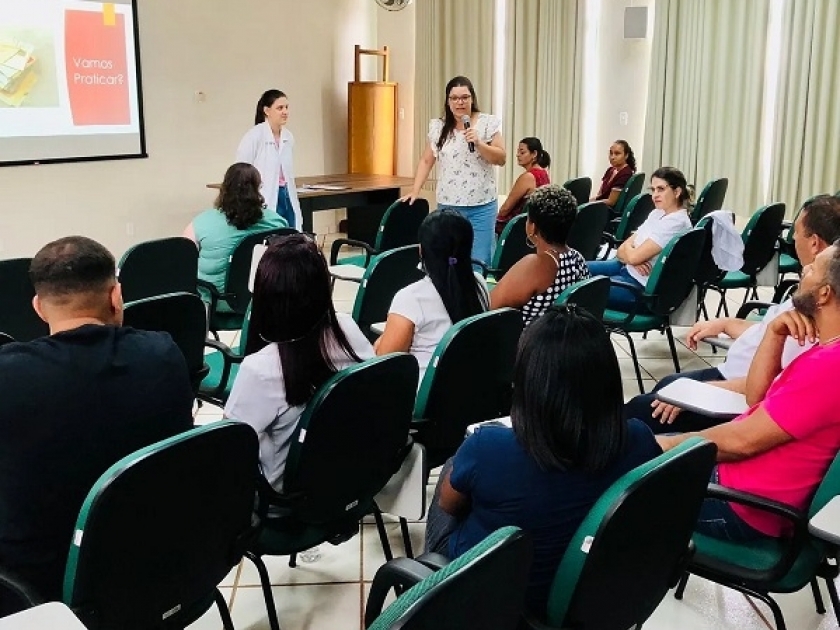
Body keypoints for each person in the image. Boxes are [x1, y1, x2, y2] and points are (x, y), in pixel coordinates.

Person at [423, 306, 661, 618]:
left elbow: (448, 505)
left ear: (527, 379)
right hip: (587, 594)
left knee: (456, 469)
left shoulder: (487, 447)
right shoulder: (640, 440)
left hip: (495, 593)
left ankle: (434, 595)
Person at [0, 237, 193, 610]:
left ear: (39, 308)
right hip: (165, 563)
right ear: (116, 296)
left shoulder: (8, 377)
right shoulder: (163, 353)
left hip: (42, 587)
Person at [657, 241, 840, 541]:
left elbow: (742, 442)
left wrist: (663, 446)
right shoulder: (826, 347)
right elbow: (757, 398)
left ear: (824, 294)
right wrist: (773, 333)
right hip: (741, 485)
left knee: (612, 478)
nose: (803, 269)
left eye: (813, 267)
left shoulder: (830, 367)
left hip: (740, 505)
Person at [625, 194, 840, 433]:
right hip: (735, 375)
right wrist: (726, 324)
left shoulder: (816, 313)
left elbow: (770, 388)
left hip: (737, 396)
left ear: (814, 243)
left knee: (639, 413)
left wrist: (697, 392)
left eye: (797, 232)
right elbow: (768, 330)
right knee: (664, 387)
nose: (794, 239)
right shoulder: (811, 292)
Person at [224, 234, 373, 492]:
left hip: (283, 500)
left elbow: (228, 447)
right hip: (348, 483)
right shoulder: (349, 331)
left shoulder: (260, 369)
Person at [402, 76, 506, 266]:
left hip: (481, 205)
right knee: (450, 260)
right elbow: (427, 160)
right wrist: (415, 190)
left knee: (479, 261)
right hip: (449, 204)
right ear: (448, 101)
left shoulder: (487, 123)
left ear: (472, 98)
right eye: (455, 98)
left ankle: (475, 294)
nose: (460, 102)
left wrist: (479, 143)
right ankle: (451, 295)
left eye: (465, 97)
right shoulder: (438, 127)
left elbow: (501, 158)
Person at [374, 211, 488, 382]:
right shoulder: (479, 285)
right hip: (472, 388)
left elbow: (385, 363)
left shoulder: (411, 298)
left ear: (421, 250)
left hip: (424, 399)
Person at [586, 167, 692, 310]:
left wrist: (634, 256)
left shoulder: (676, 223)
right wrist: (633, 258)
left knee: (580, 290)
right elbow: (622, 248)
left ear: (677, 192)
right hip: (625, 268)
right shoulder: (657, 213)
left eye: (661, 189)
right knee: (576, 268)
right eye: (653, 190)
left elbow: (633, 254)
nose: (655, 195)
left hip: (638, 287)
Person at [183, 162, 287, 306]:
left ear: (224, 188)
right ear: (258, 188)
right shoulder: (278, 223)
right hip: (262, 305)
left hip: (216, 305)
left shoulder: (200, 223)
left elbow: (182, 260)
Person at [490, 185, 589, 326]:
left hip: (526, 344)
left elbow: (489, 306)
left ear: (533, 227)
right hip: (562, 341)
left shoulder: (535, 266)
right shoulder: (578, 259)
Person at [235, 89, 301, 229]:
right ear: (267, 110)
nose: (285, 112)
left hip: (286, 193)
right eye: (280, 108)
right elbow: (241, 169)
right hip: (264, 194)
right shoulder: (254, 136)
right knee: (270, 233)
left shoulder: (288, 137)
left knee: (291, 231)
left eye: (286, 108)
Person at [495, 137, 551, 235]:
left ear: (534, 154)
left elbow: (505, 209)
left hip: (516, 227)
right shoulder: (543, 172)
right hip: (535, 226)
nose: (517, 155)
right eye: (518, 152)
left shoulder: (528, 177)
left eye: (522, 152)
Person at [592, 140, 637, 207]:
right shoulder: (610, 170)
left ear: (626, 155)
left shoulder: (625, 174)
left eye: (617, 153)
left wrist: (591, 203)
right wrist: (591, 201)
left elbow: (611, 202)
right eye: (611, 153)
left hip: (607, 211)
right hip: (600, 206)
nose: (612, 157)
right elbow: (600, 194)